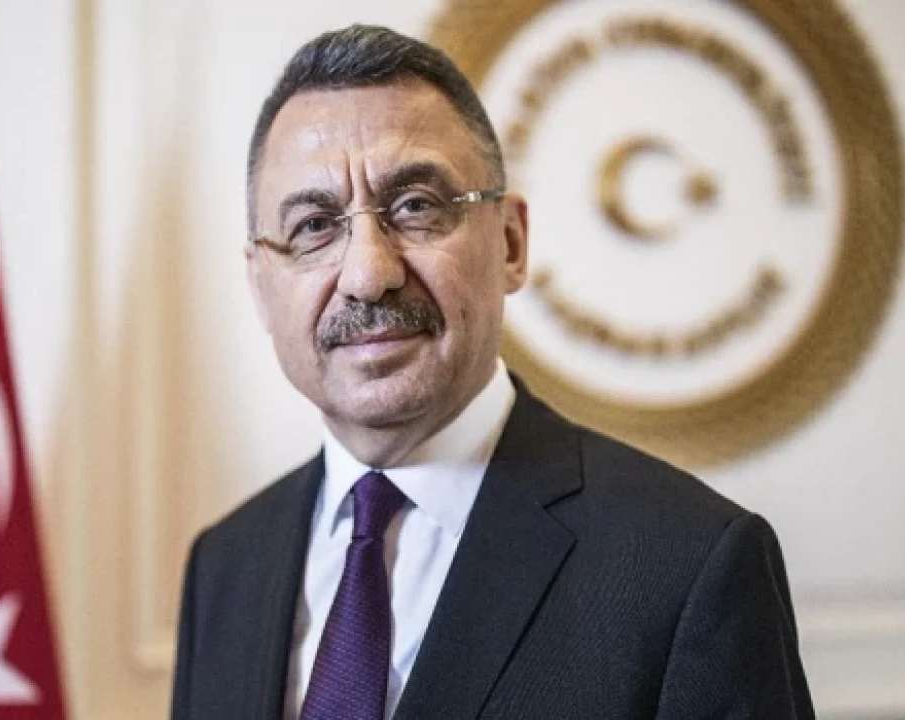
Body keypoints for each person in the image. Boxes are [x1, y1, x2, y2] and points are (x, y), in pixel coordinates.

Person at [172, 24, 813, 720]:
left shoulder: (690, 564)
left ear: (511, 243)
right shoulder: (224, 566)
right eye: (315, 226)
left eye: (415, 207)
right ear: (260, 285)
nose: (368, 274)